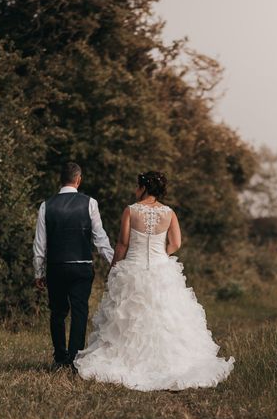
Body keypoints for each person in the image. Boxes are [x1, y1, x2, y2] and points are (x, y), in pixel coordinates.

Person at [74, 171, 234, 390]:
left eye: (137, 186)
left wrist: (113, 268)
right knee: (165, 316)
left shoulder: (131, 210)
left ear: (144, 188)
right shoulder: (169, 213)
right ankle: (169, 361)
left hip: (133, 268)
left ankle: (129, 360)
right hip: (161, 269)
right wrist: (161, 255)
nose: (135, 190)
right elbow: (176, 243)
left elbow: (122, 244)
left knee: (128, 318)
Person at [33, 162, 114, 368]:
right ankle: (75, 359)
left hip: (56, 266)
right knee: (80, 312)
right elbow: (100, 238)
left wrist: (38, 272)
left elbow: (40, 244)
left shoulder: (46, 205)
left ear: (60, 180)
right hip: (81, 266)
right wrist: (114, 261)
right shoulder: (90, 203)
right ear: (78, 179)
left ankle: (60, 357)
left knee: (58, 312)